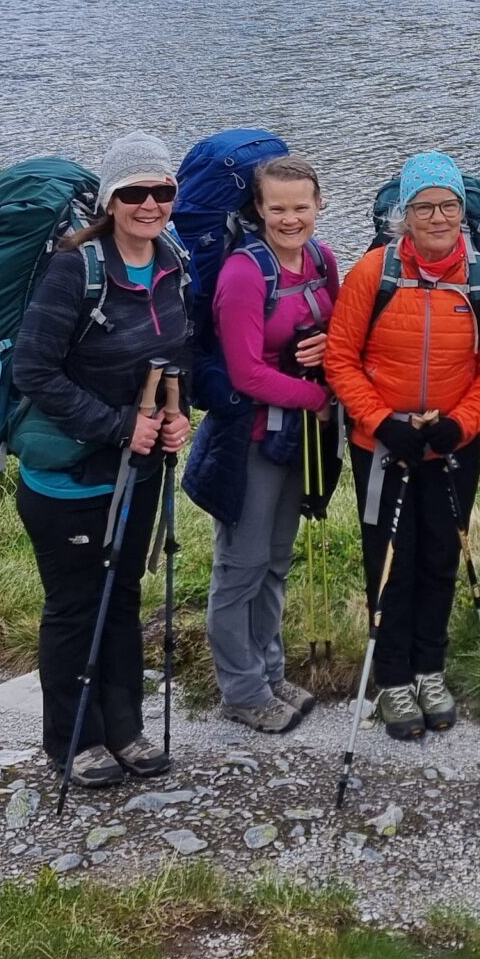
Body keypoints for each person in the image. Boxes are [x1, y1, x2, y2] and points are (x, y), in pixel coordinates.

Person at [10, 131, 194, 786]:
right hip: (68, 477)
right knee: (75, 605)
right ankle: (72, 741)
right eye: (135, 192)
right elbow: (32, 368)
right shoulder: (75, 269)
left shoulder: (173, 263)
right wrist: (120, 427)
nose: (150, 203)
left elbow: (178, 357)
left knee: (123, 598)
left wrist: (177, 416)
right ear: (110, 200)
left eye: (162, 191)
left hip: (137, 471)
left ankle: (127, 731)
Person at [324, 152, 480, 742]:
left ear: (463, 212)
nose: (437, 217)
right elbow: (340, 359)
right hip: (383, 445)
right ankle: (393, 678)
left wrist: (462, 424)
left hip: (454, 444)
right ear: (403, 216)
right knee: (390, 561)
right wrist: (384, 424)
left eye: (448, 206)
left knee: (441, 558)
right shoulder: (371, 273)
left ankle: (431, 669)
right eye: (424, 207)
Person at [193, 154, 338, 734]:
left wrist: (327, 347)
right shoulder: (243, 274)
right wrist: (319, 401)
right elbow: (246, 374)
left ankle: (270, 673)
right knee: (241, 567)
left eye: (301, 206)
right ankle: (242, 690)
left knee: (276, 562)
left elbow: (344, 330)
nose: (290, 218)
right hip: (250, 440)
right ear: (257, 208)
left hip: (296, 442)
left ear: (319, 205)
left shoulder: (323, 261)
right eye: (277, 207)